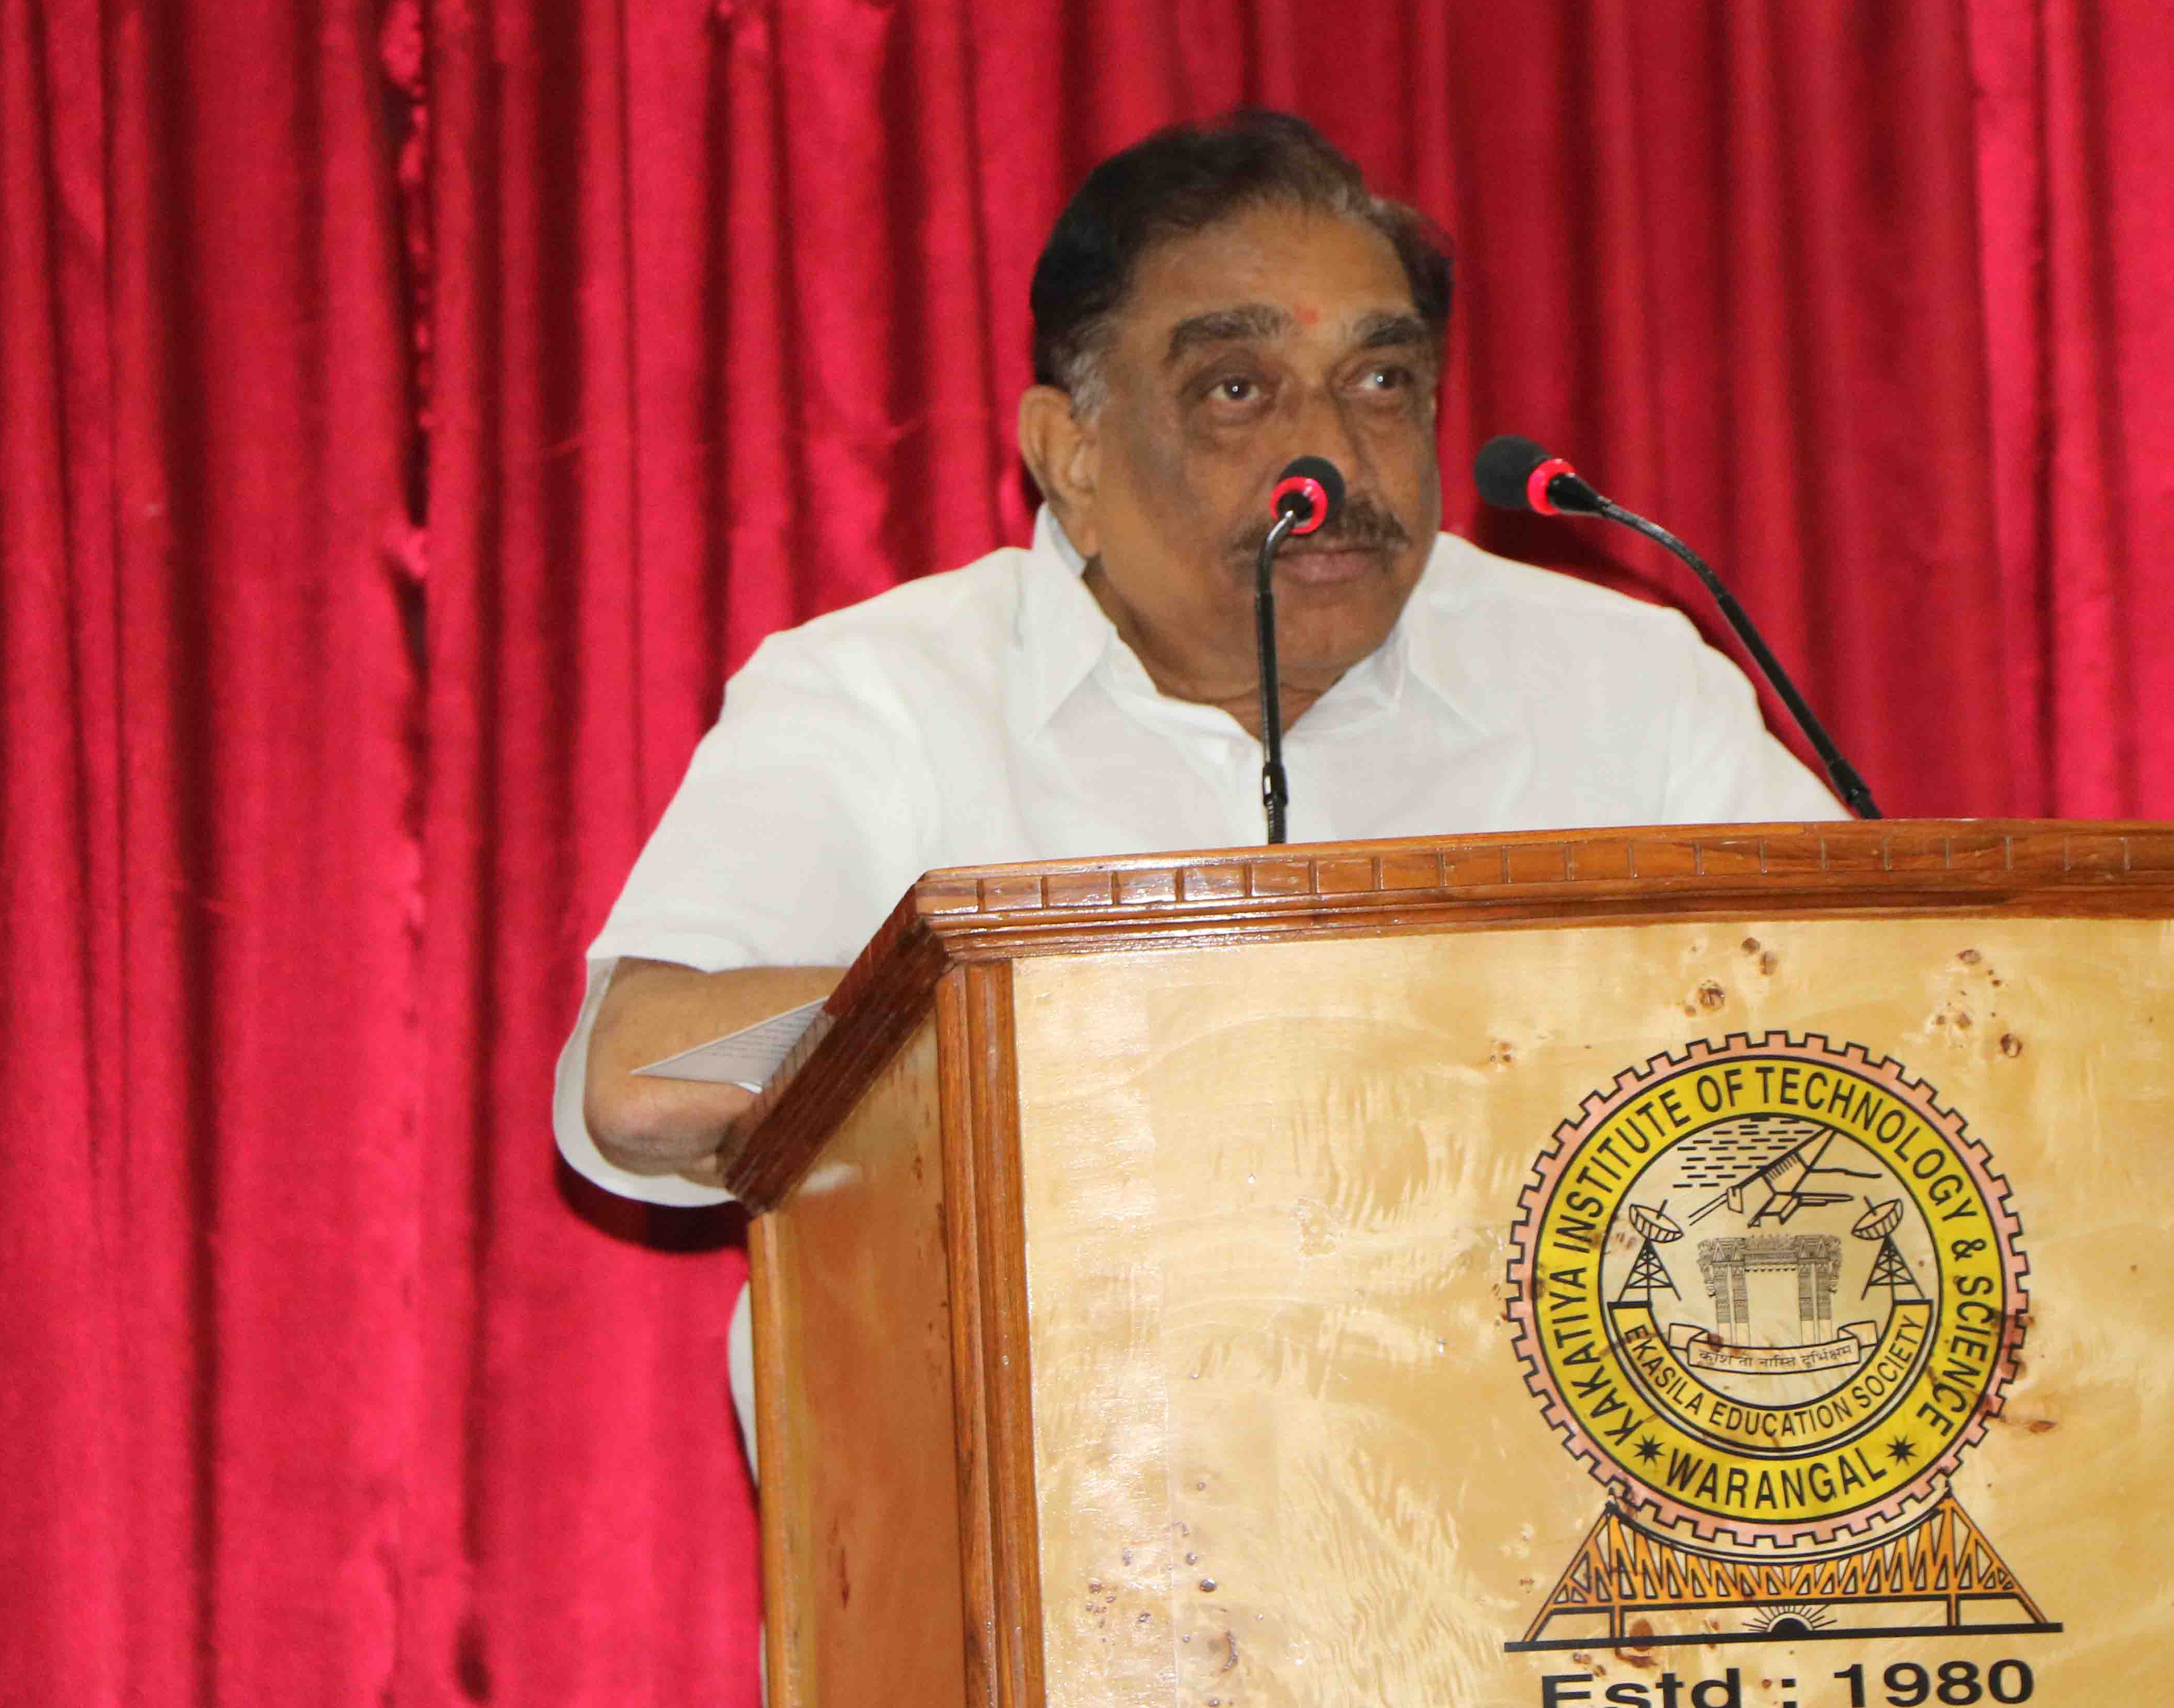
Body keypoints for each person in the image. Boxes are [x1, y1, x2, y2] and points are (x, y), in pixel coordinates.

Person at [552, 111, 1844, 1426]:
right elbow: (650, 1074)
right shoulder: (890, 692)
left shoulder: (1622, 681)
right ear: (1072, 455)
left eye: (1381, 381)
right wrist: (1136, 1026)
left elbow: (1873, 1008)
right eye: (1238, 390)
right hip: (1052, 1494)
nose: (1332, 457)